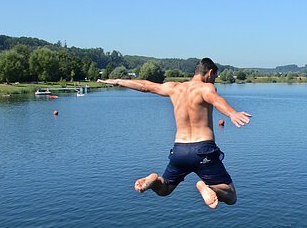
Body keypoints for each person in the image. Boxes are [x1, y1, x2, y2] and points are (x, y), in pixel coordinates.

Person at [98, 58, 252, 209]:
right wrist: (232, 113)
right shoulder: (206, 88)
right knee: (231, 196)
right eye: (214, 77)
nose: (214, 81)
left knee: (164, 189)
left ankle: (153, 181)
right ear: (210, 72)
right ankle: (208, 188)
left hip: (180, 150)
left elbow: (145, 85)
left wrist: (118, 81)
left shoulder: (174, 88)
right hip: (203, 149)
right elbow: (216, 100)